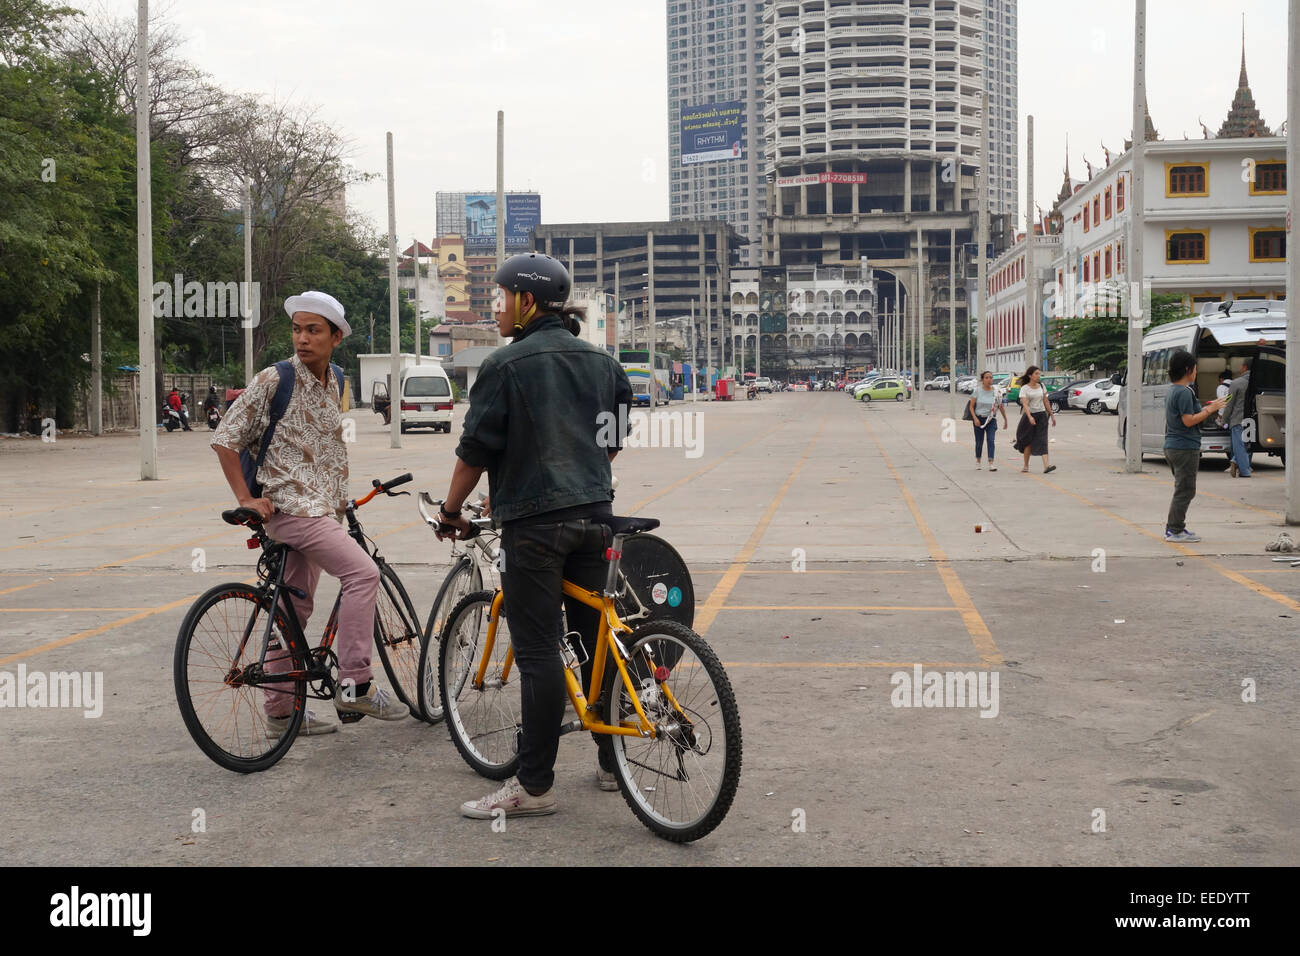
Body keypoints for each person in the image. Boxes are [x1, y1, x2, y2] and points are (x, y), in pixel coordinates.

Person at [435, 252, 634, 820]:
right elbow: (614, 434)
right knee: (599, 641)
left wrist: (452, 511)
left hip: (535, 527)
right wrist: (585, 468)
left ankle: (534, 785)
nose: (496, 308)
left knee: (541, 651)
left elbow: (474, 453)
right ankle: (611, 759)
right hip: (598, 517)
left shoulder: (505, 365)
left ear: (525, 302)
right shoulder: (602, 362)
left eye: (500, 298)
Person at [211, 290, 408, 735]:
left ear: (336, 336)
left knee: (292, 610)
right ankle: (355, 684)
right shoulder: (273, 379)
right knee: (363, 574)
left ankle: (282, 714)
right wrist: (246, 498)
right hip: (294, 510)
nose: (302, 338)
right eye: (298, 329)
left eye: (313, 330)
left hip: (323, 508)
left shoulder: (336, 378)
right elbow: (226, 438)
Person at [1163, 348, 1227, 543]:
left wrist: (1209, 406)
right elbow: (1189, 421)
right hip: (1184, 447)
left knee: (1183, 488)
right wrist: (1211, 409)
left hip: (1174, 446)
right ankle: (1174, 530)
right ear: (1188, 369)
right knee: (1185, 490)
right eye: (1195, 369)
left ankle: (1176, 527)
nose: (1196, 372)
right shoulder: (1183, 392)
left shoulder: (1174, 390)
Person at [1012, 366, 1055, 473]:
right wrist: (1030, 416)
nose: (1038, 376)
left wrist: (1051, 414)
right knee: (1028, 442)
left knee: (1043, 440)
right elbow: (1025, 405)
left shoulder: (1041, 386)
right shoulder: (1025, 388)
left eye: (1039, 374)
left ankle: (1046, 466)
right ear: (1030, 376)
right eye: (1036, 374)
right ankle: (1026, 465)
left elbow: (1045, 401)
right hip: (1029, 417)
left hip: (1041, 416)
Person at [967, 370, 1009, 471]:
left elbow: (1000, 406)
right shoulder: (977, 391)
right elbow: (971, 407)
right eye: (986, 378)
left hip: (991, 419)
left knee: (991, 440)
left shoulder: (996, 392)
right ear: (982, 380)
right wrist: (975, 418)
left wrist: (1005, 419)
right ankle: (978, 460)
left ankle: (991, 463)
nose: (989, 379)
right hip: (979, 419)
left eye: (990, 377)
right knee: (979, 441)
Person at [1226, 358, 1251, 478]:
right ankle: (1236, 462)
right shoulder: (1257, 382)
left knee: (1239, 445)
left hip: (1237, 419)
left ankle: (1245, 471)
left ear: (1245, 367)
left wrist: (1224, 419)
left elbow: (1229, 403)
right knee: (1248, 445)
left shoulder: (1236, 383)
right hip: (1252, 420)